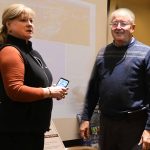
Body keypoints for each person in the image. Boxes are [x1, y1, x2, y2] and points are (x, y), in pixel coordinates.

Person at [0, 3, 68, 150]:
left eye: (31, 21)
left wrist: (54, 89)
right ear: (9, 24)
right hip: (16, 133)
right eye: (23, 20)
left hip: (33, 130)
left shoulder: (33, 53)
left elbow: (37, 84)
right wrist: (49, 92)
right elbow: (15, 90)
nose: (29, 24)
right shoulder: (10, 51)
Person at [80, 8, 150, 150]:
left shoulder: (146, 53)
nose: (118, 27)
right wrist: (85, 118)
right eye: (114, 23)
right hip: (107, 124)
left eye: (123, 23)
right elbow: (93, 89)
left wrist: (148, 129)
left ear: (132, 28)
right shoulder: (102, 53)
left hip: (135, 125)